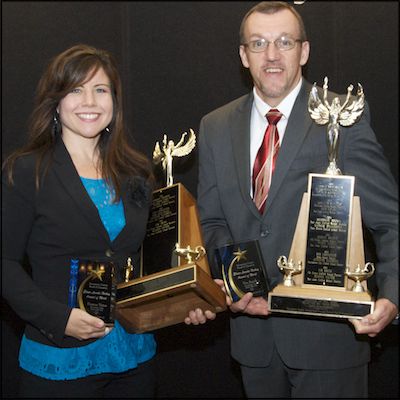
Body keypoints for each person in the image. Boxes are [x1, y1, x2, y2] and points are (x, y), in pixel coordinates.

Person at [188, 2, 398, 398]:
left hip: (330, 340)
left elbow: (390, 221)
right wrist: (236, 288)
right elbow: (212, 221)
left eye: (284, 42)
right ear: (243, 55)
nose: (271, 55)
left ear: (304, 51)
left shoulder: (343, 117)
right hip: (254, 344)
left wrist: (392, 295)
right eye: (258, 43)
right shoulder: (215, 126)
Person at [1, 44, 200, 398]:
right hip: (60, 361)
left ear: (114, 102)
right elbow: (5, 263)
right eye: (76, 90)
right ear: (56, 103)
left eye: (101, 90)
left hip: (134, 360)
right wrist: (56, 319)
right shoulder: (27, 171)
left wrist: (182, 299)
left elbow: (148, 261)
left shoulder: (137, 172)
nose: (89, 101)